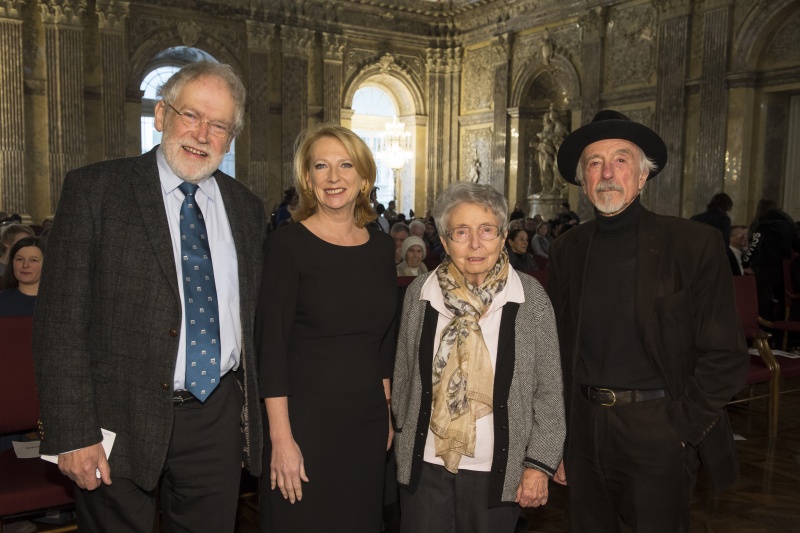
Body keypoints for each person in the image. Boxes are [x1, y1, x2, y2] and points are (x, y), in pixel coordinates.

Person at [33, 61, 267, 533]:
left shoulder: (246, 208)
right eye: (191, 115)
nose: (202, 134)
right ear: (161, 114)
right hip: (114, 419)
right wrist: (72, 434)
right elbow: (60, 325)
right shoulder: (95, 190)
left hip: (215, 416)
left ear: (231, 138)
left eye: (219, 125)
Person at [548, 110, 749, 532]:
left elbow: (726, 355)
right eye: (594, 163)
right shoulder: (567, 249)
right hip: (584, 429)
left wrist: (680, 428)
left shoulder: (692, 245)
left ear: (643, 176)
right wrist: (559, 440)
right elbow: (557, 351)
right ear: (583, 180)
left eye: (621, 160)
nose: (607, 173)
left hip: (656, 430)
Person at [392, 181, 565, 533]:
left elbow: (548, 390)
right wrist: (401, 430)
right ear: (443, 240)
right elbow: (403, 374)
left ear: (503, 237)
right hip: (425, 465)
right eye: (461, 231)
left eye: (487, 230)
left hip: (497, 471)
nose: (475, 244)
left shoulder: (530, 298)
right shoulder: (419, 295)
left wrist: (539, 465)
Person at [256, 124, 396, 533]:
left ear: (364, 178)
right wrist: (281, 440)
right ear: (308, 179)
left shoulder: (381, 247)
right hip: (304, 424)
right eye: (321, 166)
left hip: (367, 421)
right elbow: (271, 347)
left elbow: (383, 341)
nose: (334, 178)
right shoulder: (287, 245)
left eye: (345, 165)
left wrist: (386, 413)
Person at [743, 201, 800, 320]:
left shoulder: (763, 226)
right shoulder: (788, 225)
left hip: (763, 267)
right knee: (781, 301)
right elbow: (797, 245)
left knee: (762, 301)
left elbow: (754, 246)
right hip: (783, 269)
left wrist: (746, 262)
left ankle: (762, 332)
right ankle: (779, 333)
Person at [0, 236, 44, 316]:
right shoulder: (2, 300)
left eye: (33, 260)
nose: (25, 265)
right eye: (19, 259)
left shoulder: (61, 302)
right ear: (12, 262)